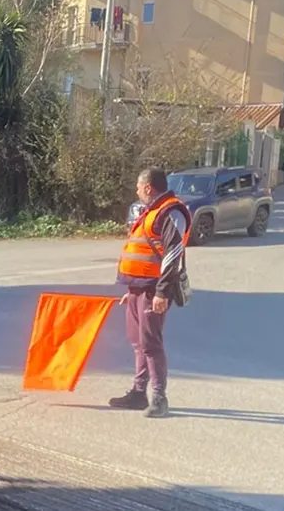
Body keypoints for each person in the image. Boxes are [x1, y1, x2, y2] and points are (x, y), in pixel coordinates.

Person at [110, 168, 191, 418]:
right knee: (138, 343)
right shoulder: (152, 211)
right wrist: (132, 291)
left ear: (148, 188)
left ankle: (159, 398)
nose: (135, 190)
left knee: (150, 344)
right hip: (138, 288)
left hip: (152, 290)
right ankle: (138, 393)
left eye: (138, 186)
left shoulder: (171, 211)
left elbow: (173, 253)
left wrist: (162, 293)